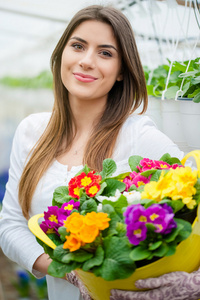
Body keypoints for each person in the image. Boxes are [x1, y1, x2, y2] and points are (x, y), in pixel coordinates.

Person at [0, 4, 199, 300]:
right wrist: (69, 271)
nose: (86, 61)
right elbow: (11, 226)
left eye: (105, 53)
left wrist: (195, 280)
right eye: (78, 46)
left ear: (121, 71)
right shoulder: (32, 132)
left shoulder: (139, 137)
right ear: (61, 54)